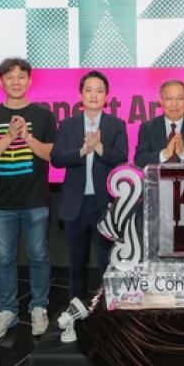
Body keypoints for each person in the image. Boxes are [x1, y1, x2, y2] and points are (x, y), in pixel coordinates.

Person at [0, 58, 56, 339]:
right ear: (0, 81)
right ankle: (7, 311)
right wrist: (9, 137)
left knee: (39, 256)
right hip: (0, 204)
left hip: (36, 201)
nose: (16, 81)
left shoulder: (43, 116)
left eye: (21, 76)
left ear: (30, 80)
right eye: (9, 77)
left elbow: (52, 155)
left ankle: (39, 307)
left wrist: (28, 138)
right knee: (4, 259)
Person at [51, 71, 128, 301]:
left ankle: (107, 306)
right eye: (89, 90)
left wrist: (100, 148)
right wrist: (82, 151)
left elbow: (122, 159)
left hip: (105, 205)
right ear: (81, 94)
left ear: (107, 96)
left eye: (99, 90)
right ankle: (77, 307)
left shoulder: (116, 125)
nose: (94, 95)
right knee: (77, 264)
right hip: (75, 205)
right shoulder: (68, 125)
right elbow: (56, 158)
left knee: (107, 262)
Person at [134, 79, 184, 168]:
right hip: (157, 177)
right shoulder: (147, 128)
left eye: (179, 98)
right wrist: (164, 154)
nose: (174, 104)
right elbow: (139, 160)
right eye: (169, 98)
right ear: (161, 101)